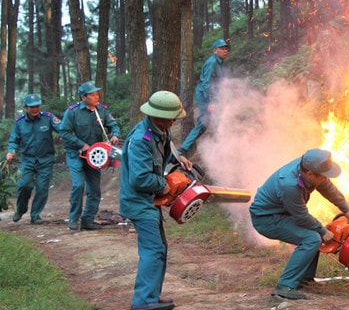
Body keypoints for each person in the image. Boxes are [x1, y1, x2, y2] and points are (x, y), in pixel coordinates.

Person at [249, 148, 349, 300]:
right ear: (310, 174)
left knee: (314, 235)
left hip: (282, 213)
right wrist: (322, 230)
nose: (325, 179)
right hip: (266, 219)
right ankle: (284, 286)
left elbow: (327, 188)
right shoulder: (289, 185)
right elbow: (301, 217)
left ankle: (304, 280)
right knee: (312, 238)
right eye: (323, 176)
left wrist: (346, 208)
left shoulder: (309, 169)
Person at [119, 90, 193, 310]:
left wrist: (180, 159)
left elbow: (166, 154)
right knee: (153, 249)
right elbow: (140, 179)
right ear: (160, 116)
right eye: (172, 118)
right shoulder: (140, 140)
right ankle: (142, 301)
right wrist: (166, 184)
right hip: (139, 202)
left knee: (160, 247)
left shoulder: (161, 132)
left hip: (149, 202)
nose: (174, 121)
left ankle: (152, 294)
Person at [59, 81, 120, 230]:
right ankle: (73, 219)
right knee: (78, 185)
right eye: (92, 94)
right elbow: (64, 132)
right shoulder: (72, 112)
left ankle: (88, 220)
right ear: (83, 97)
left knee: (95, 190)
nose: (96, 96)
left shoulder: (102, 110)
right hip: (76, 155)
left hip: (95, 156)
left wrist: (115, 135)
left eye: (97, 93)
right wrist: (81, 145)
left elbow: (114, 125)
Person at [6, 94, 61, 224]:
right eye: (31, 107)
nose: (35, 109)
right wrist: (11, 152)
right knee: (24, 184)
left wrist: (68, 134)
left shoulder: (48, 118)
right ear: (25, 108)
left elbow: (62, 128)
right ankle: (20, 209)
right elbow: (14, 140)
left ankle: (35, 215)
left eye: (37, 106)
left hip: (45, 159)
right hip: (27, 160)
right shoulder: (19, 122)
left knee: (42, 188)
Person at [178, 38, 230, 155]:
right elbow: (206, 83)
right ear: (215, 51)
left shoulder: (219, 62)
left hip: (212, 94)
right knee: (204, 121)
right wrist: (210, 101)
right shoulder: (211, 63)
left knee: (216, 119)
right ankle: (182, 149)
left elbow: (221, 80)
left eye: (226, 48)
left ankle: (222, 145)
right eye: (222, 48)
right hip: (205, 95)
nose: (225, 51)